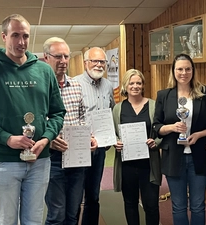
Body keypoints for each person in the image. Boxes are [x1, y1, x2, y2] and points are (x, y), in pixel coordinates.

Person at [0, 14, 66, 225]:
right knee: (6, 220)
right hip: (3, 160)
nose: (21, 42)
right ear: (4, 36)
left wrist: (46, 139)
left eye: (26, 36)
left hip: (39, 160)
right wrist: (7, 138)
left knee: (34, 220)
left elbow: (57, 112)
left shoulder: (44, 71)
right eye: (15, 35)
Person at [153, 53, 206, 225]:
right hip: (174, 156)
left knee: (197, 205)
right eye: (179, 69)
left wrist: (199, 134)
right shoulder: (164, 95)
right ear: (173, 71)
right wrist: (171, 128)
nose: (184, 72)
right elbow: (156, 126)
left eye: (188, 69)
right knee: (178, 206)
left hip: (199, 156)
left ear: (193, 70)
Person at [42, 37, 98, 225]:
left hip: (76, 158)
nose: (64, 61)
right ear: (46, 57)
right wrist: (48, 138)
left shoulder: (76, 85)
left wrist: (88, 138)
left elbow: (82, 118)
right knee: (56, 214)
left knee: (73, 213)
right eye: (58, 56)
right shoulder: (38, 88)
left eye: (66, 56)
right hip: (52, 158)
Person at [112, 69, 161, 225]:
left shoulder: (154, 106)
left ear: (143, 85)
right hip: (127, 165)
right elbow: (113, 133)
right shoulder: (118, 109)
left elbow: (161, 132)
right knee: (130, 203)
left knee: (151, 205)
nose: (135, 86)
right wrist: (116, 142)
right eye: (131, 83)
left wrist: (156, 143)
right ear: (125, 86)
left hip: (149, 165)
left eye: (138, 83)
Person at [74, 47, 115, 225]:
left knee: (93, 194)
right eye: (94, 61)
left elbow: (111, 111)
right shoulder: (74, 84)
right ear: (85, 63)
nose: (99, 65)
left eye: (102, 62)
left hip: (100, 150)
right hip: (79, 149)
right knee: (75, 195)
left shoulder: (108, 86)